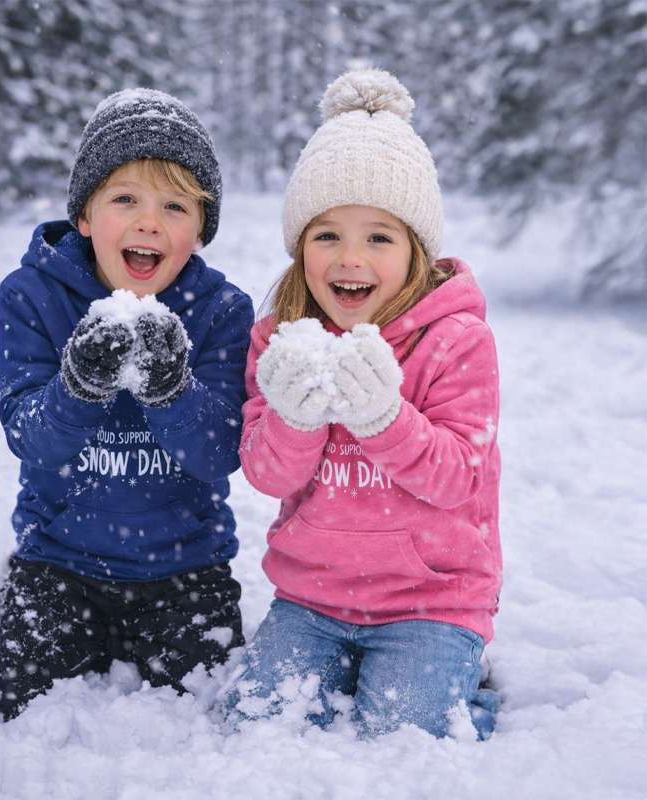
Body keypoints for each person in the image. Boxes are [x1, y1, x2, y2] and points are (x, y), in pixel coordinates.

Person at [222, 68, 502, 740]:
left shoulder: (456, 340)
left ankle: (466, 682)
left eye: (379, 237)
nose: (350, 258)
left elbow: (457, 477)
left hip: (430, 601)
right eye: (327, 236)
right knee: (253, 720)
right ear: (300, 249)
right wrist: (294, 417)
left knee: (408, 731)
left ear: (416, 251)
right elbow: (267, 474)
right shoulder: (283, 340)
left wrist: (384, 417)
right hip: (311, 597)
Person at [0, 88, 254, 721]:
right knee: (23, 708)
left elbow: (220, 452)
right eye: (125, 199)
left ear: (200, 231)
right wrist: (77, 386)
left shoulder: (222, 311)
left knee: (208, 712)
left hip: (186, 568)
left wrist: (172, 391)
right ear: (85, 215)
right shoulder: (33, 296)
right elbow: (29, 435)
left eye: (175, 206)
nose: (149, 222)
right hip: (58, 560)